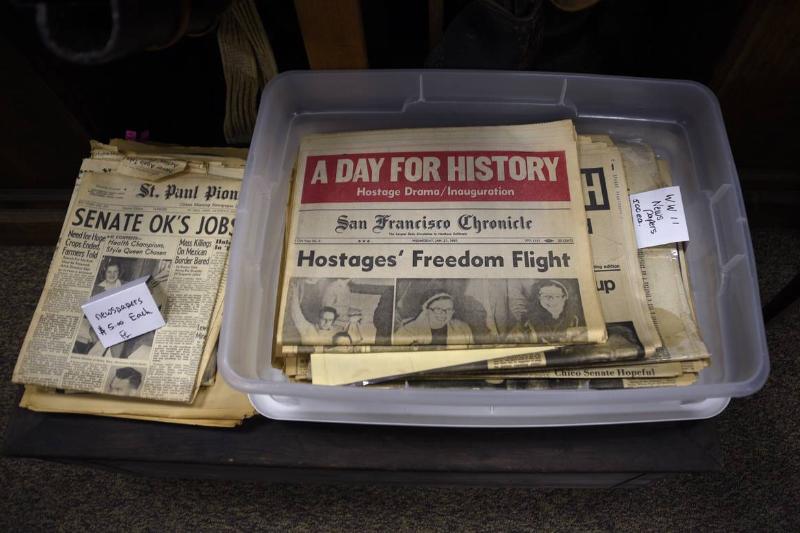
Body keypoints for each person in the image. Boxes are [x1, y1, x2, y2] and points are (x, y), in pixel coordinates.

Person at [508, 280, 584, 343]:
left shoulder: (575, 321)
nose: (552, 300)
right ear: (539, 298)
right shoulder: (526, 325)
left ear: (564, 298)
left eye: (557, 296)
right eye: (546, 296)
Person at [394, 292, 473, 345]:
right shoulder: (408, 330)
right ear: (426, 310)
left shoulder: (463, 329)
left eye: (448, 310)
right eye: (438, 309)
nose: (444, 314)